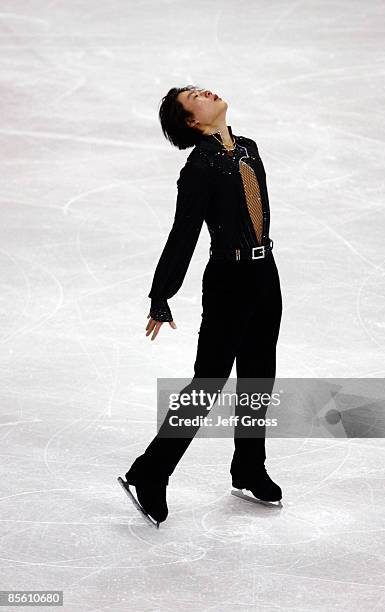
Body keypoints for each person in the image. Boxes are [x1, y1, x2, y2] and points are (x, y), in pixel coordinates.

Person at [119, 85, 283, 527]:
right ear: (191, 121)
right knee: (208, 380)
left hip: (266, 272)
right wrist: (162, 294)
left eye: (199, 88)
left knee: (259, 375)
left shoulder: (247, 148)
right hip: (229, 281)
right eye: (193, 96)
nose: (203, 91)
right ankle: (150, 471)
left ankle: (249, 466)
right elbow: (184, 234)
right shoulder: (198, 168)